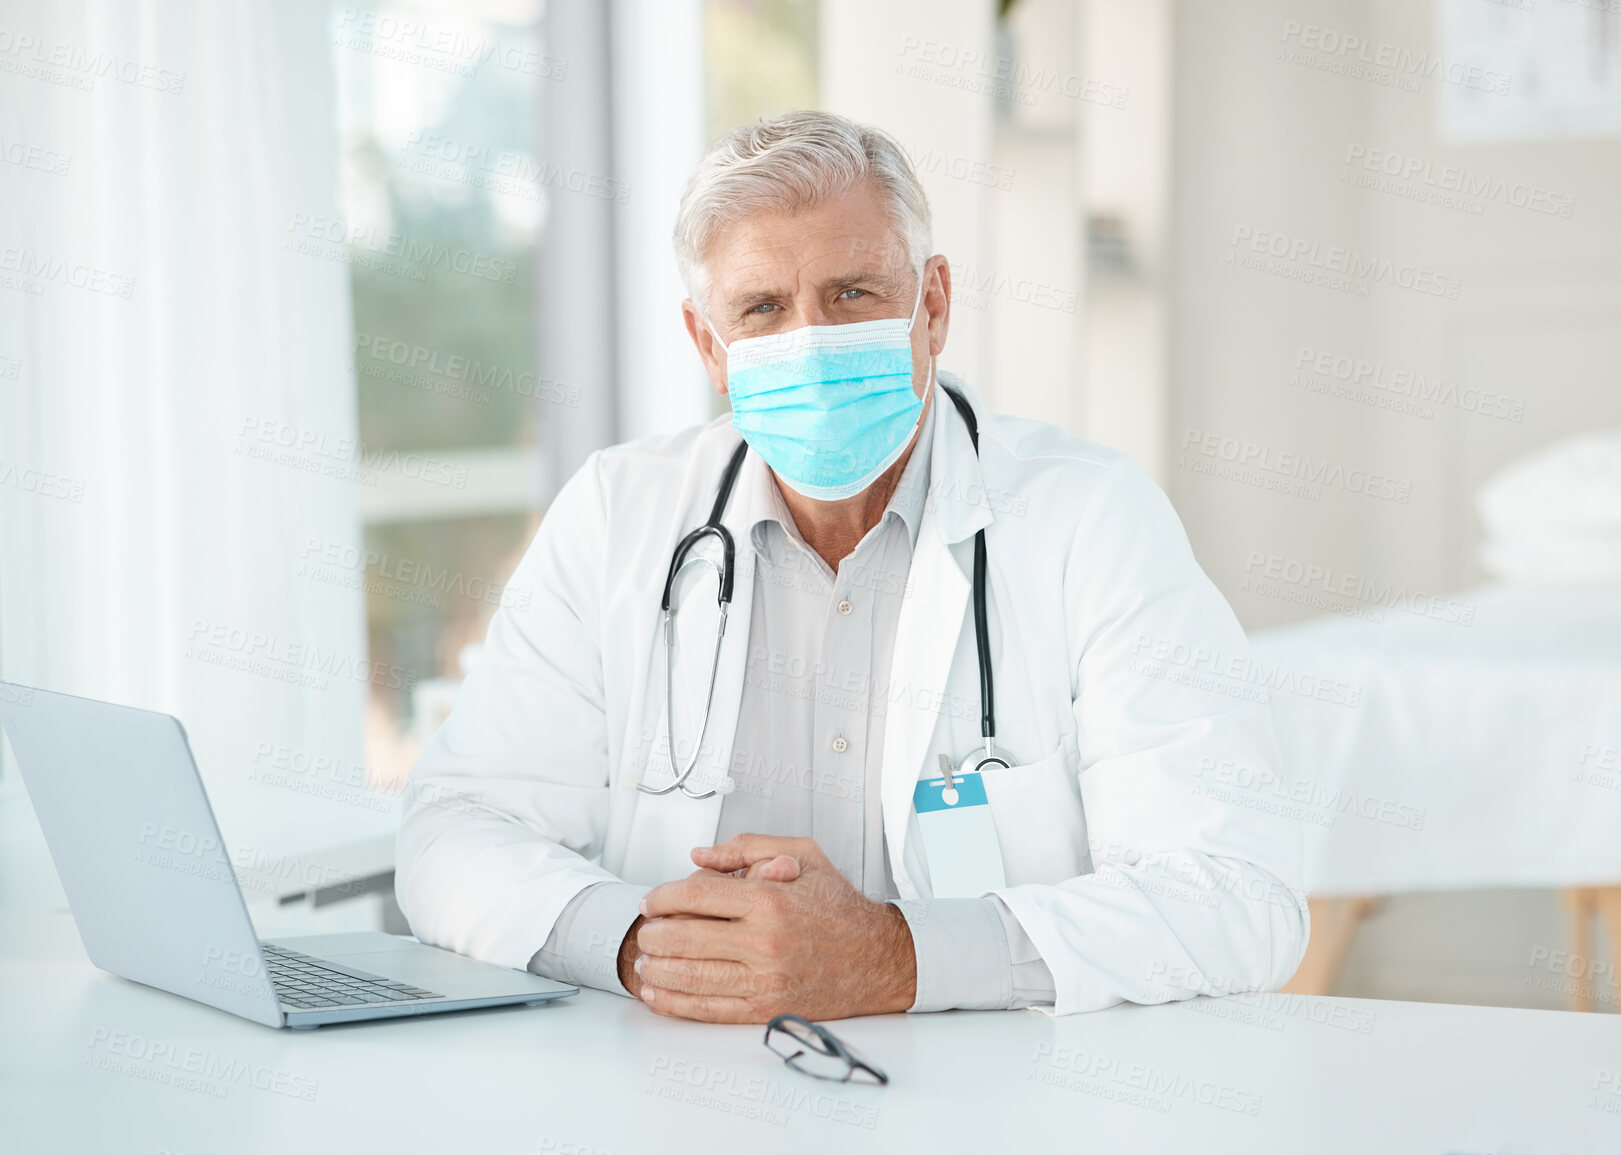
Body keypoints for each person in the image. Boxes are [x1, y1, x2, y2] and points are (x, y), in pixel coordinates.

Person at [396, 110, 1307, 1022]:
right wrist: (650, 945)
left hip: (993, 1101)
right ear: (709, 345)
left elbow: (1236, 896)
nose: (811, 342)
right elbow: (455, 832)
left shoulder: (1091, 518)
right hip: (680, 1087)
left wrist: (894, 958)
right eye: (762, 309)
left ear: (932, 304)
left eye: (852, 294)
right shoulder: (615, 515)